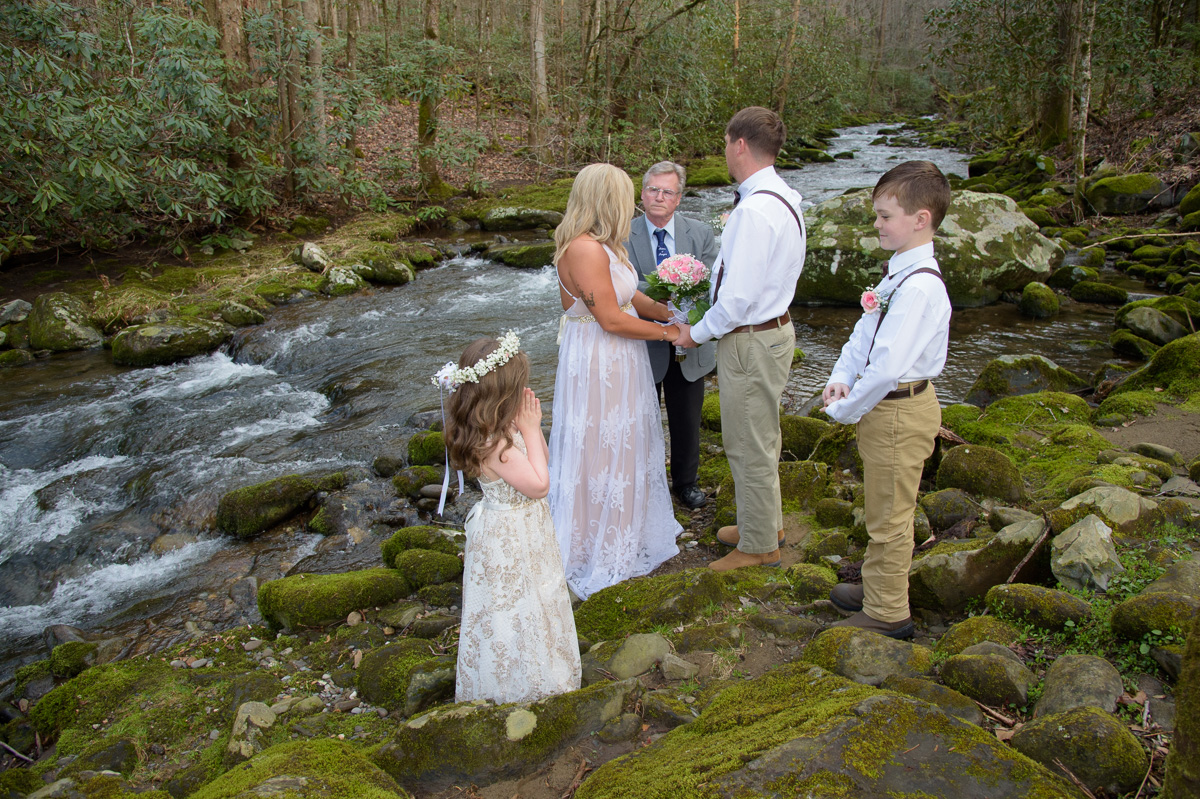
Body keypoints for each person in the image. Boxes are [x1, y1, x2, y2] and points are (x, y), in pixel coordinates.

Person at [821, 160, 953, 639]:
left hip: (899, 407)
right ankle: (878, 586)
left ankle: (889, 611)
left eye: (885, 215)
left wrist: (844, 409)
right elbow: (865, 335)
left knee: (891, 514)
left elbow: (889, 366)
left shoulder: (919, 286)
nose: (876, 224)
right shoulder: (897, 275)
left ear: (921, 219)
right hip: (884, 405)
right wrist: (841, 375)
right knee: (880, 503)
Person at [675, 107, 806, 571]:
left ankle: (758, 545)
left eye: (726, 143)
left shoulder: (754, 210)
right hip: (772, 330)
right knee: (762, 435)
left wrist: (695, 333)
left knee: (748, 442)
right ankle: (763, 522)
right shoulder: (785, 197)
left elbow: (738, 299)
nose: (724, 152)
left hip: (750, 339)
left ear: (740, 145)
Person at [548, 163, 684, 600]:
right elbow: (609, 318)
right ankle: (595, 543)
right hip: (598, 357)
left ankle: (624, 529)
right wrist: (669, 335)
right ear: (609, 200)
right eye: (627, 195)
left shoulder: (607, 245)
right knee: (600, 447)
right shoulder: (583, 249)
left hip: (622, 357)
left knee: (623, 442)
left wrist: (675, 313)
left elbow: (631, 297)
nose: (633, 204)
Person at [440, 333, 582, 702]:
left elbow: (540, 460)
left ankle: (539, 664)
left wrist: (526, 430)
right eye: (519, 387)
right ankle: (518, 683)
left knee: (534, 593)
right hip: (512, 531)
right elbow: (538, 485)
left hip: (519, 526)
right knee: (513, 604)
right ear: (502, 394)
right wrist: (532, 429)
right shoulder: (494, 444)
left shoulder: (497, 430)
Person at [625, 161, 720, 510]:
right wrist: (657, 295)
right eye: (653, 189)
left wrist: (688, 299)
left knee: (687, 418)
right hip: (643, 344)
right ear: (642, 193)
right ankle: (644, 484)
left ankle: (686, 483)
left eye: (667, 191)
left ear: (679, 198)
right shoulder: (624, 233)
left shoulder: (700, 232)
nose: (659, 197)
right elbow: (621, 283)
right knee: (641, 420)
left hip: (691, 341)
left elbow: (713, 280)